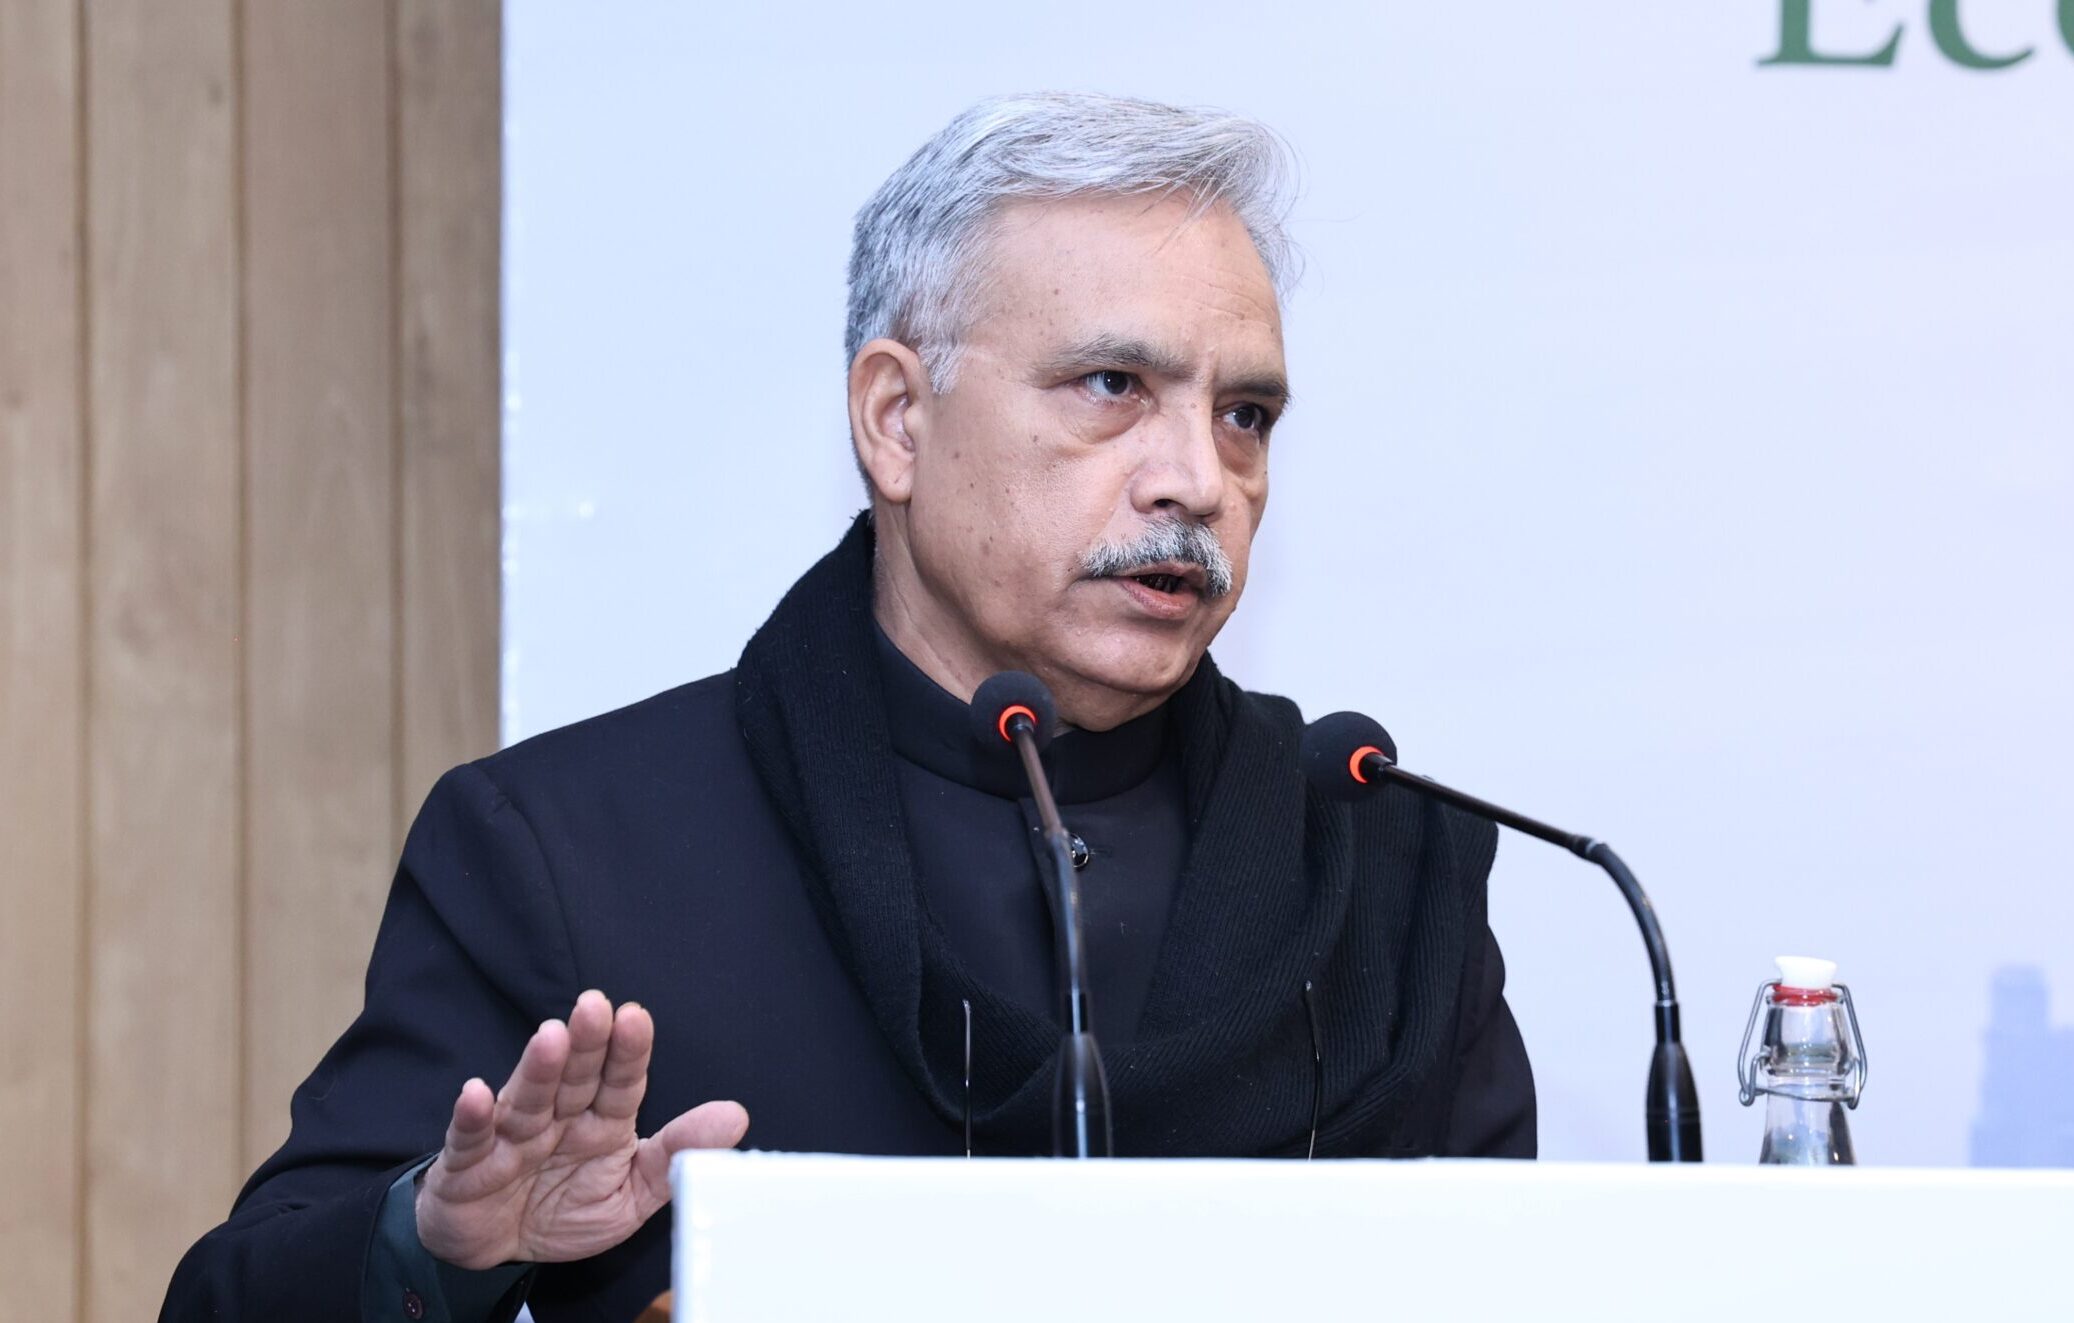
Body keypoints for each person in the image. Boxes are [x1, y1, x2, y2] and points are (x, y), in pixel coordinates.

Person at [162, 92, 1534, 1323]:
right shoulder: (570, 848)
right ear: (894, 419)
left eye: (1244, 415)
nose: (1197, 477)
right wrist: (439, 1246)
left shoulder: (1372, 859)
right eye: (1113, 387)